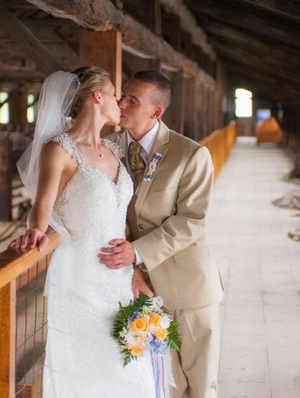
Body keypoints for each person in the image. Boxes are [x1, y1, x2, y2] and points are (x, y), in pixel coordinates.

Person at [8, 67, 157, 398]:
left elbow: (121, 219)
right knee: (89, 372)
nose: (121, 101)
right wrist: (35, 231)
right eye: (115, 92)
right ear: (97, 97)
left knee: (129, 371)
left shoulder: (114, 149)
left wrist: (134, 269)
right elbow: (42, 205)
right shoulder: (59, 149)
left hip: (118, 277)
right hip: (81, 280)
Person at [99, 71, 224, 398]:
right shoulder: (106, 149)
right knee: (162, 385)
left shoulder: (191, 154)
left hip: (187, 285)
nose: (122, 104)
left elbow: (192, 221)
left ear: (156, 112)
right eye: (123, 95)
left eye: (133, 101)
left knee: (200, 383)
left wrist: (136, 252)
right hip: (131, 286)